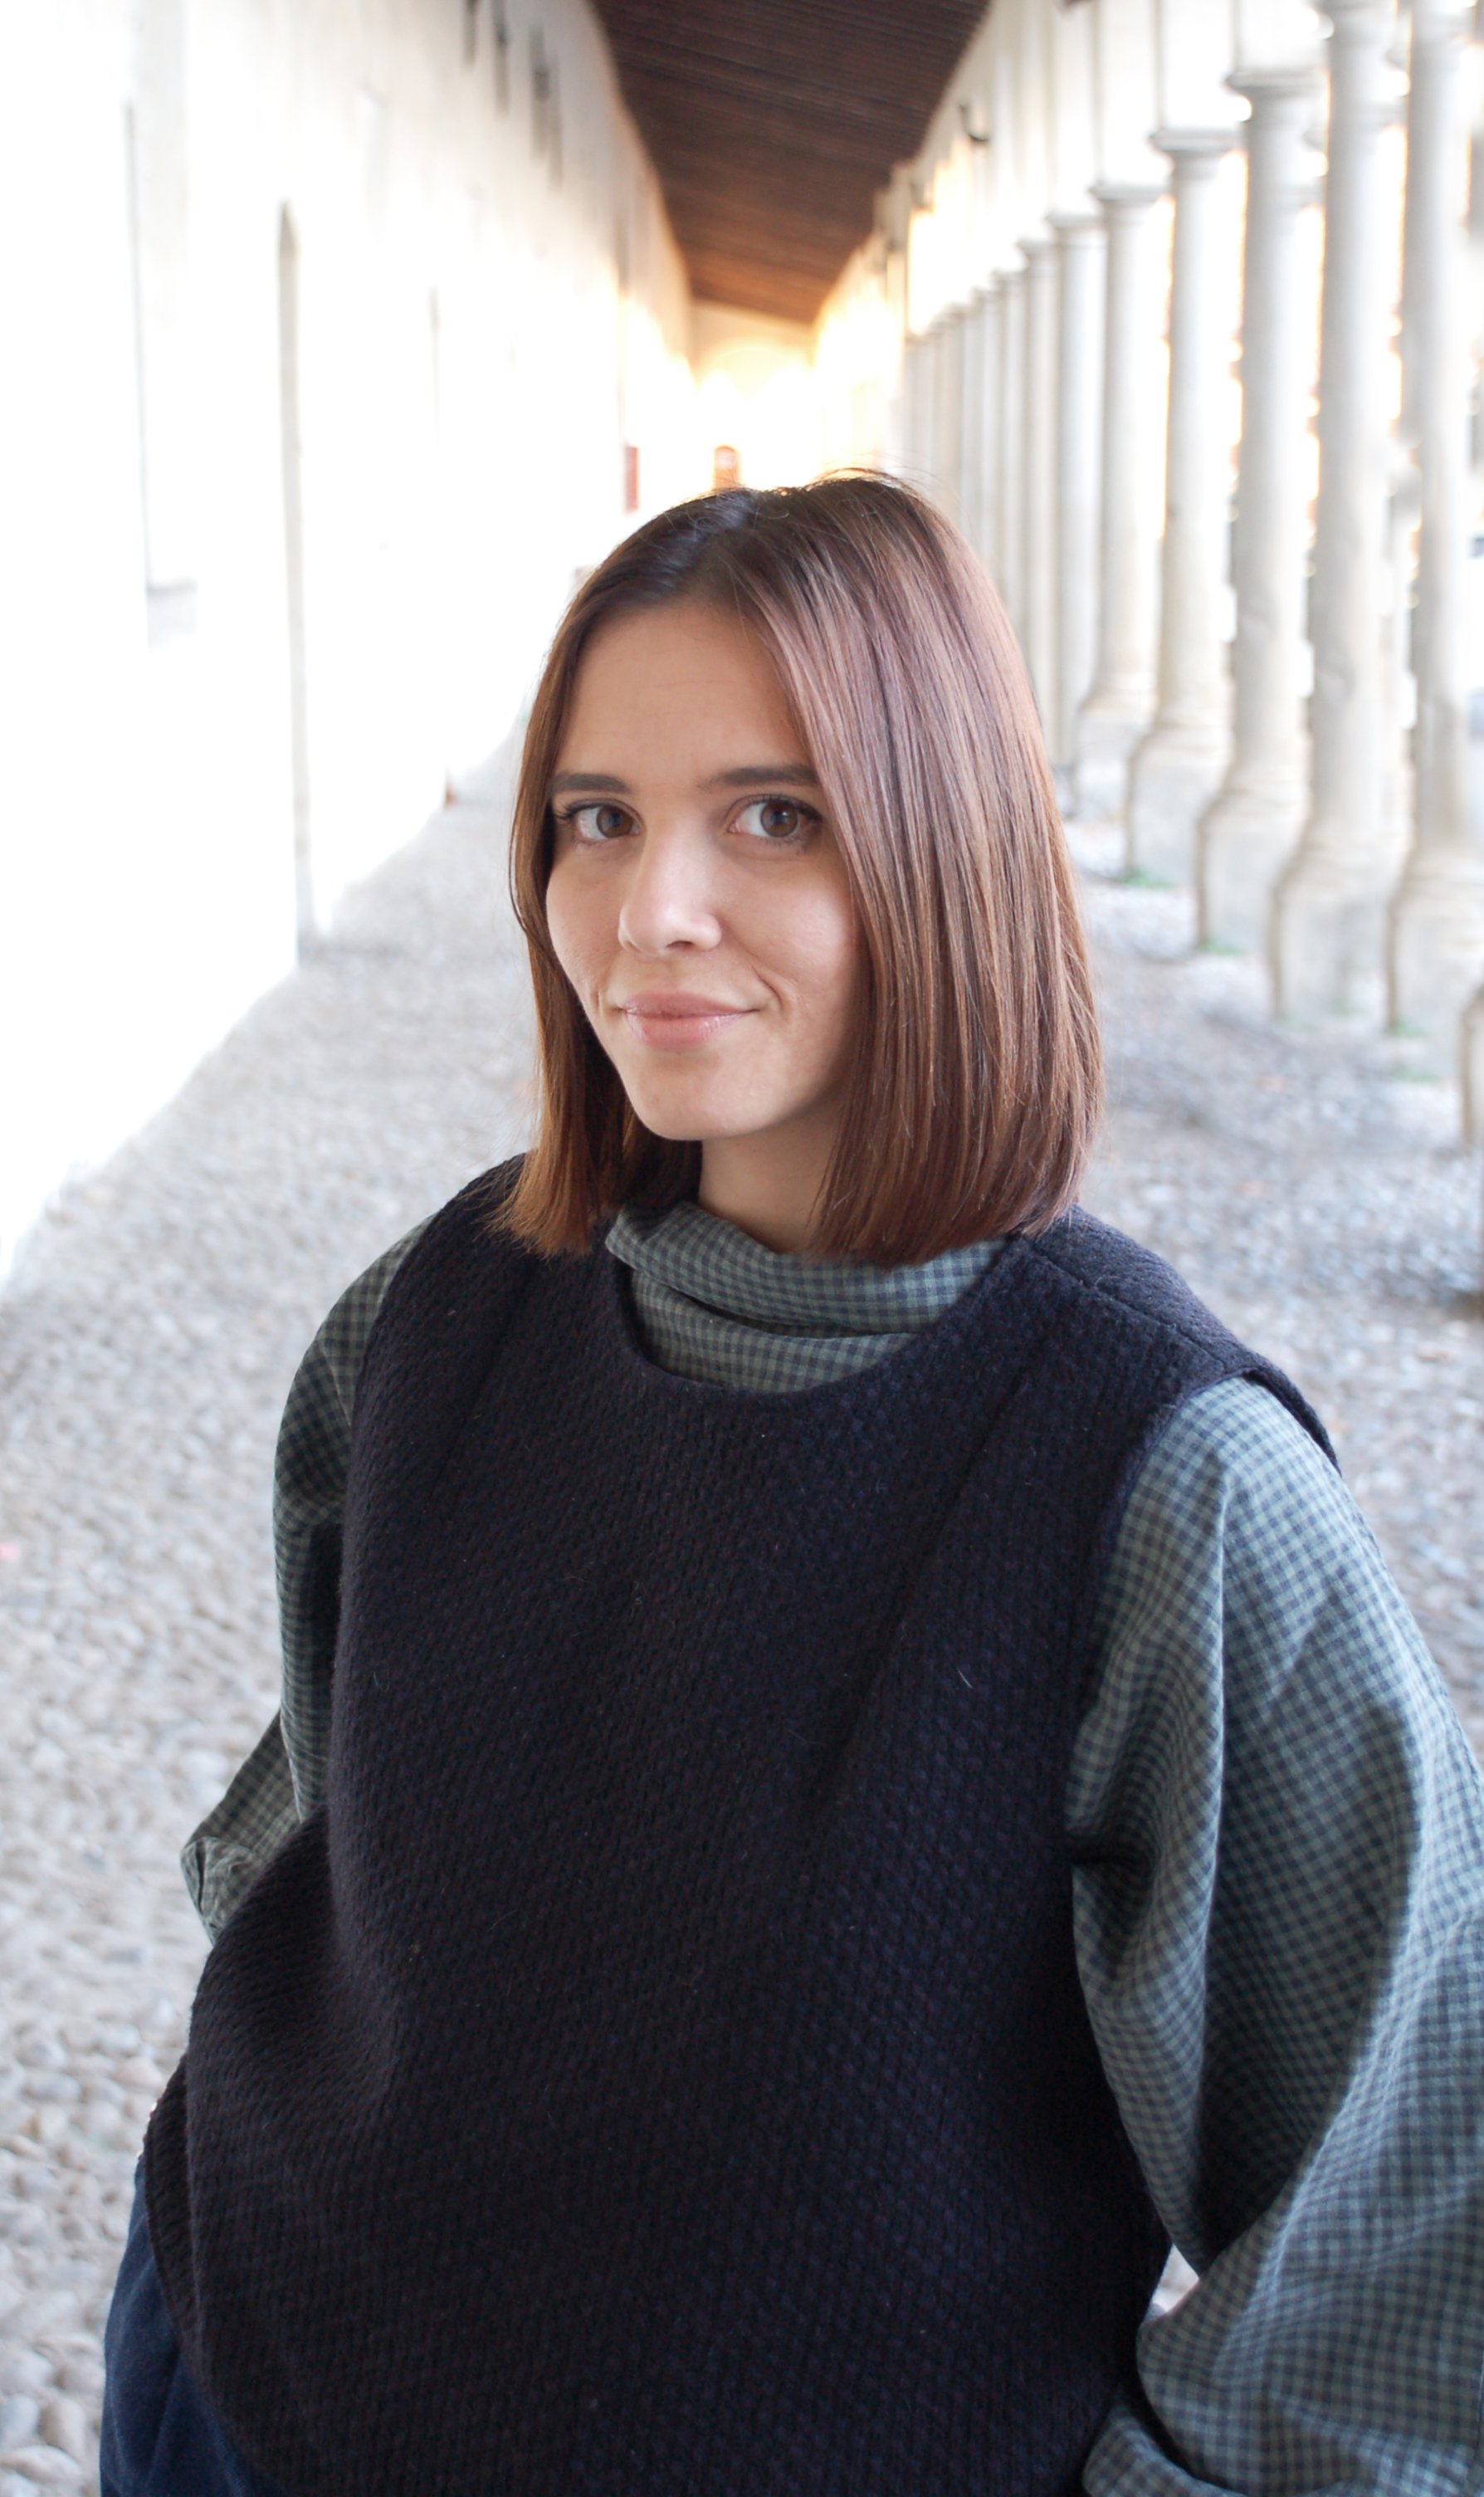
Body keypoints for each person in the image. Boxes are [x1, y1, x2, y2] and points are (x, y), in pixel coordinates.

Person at [101, 477, 1484, 2497]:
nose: (651, 908)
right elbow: (317, 1839)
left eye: (774, 815)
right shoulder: (433, 1311)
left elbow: (1413, 2221)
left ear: (944, 848)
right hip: (234, 2384)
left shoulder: (1161, 1481)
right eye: (596, 817)